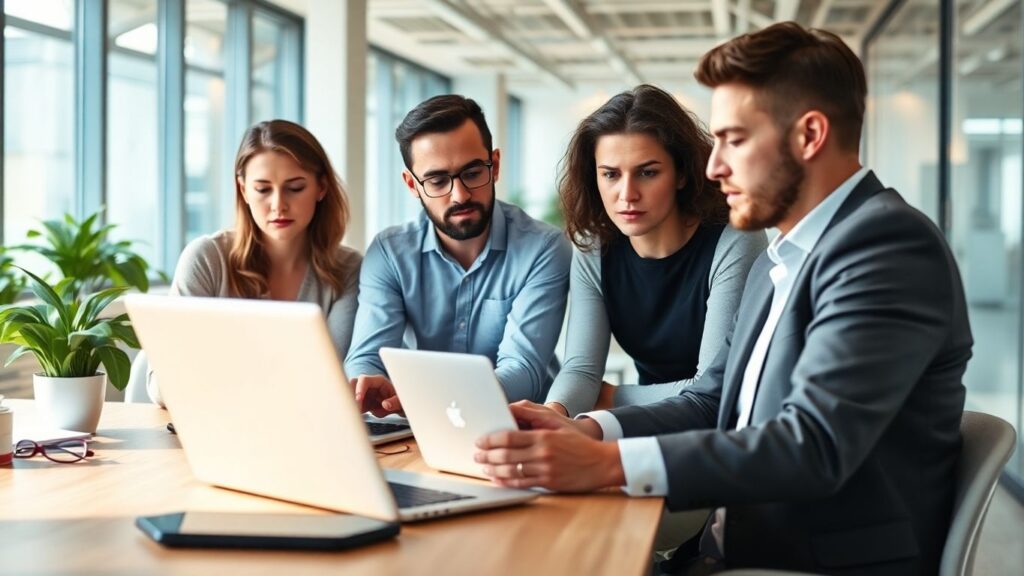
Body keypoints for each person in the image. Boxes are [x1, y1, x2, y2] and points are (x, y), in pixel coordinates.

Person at [475, 22, 972, 575]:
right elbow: (712, 401)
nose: (712, 166)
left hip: (812, 562)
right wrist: (584, 429)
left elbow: (813, 445)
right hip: (730, 549)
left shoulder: (886, 247)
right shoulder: (778, 262)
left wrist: (605, 462)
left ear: (809, 136)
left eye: (734, 139)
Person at [544, 84, 766, 417]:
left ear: (681, 174)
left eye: (647, 173)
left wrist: (610, 397)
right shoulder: (594, 247)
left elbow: (713, 391)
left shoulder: (735, 240)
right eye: (611, 175)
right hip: (646, 423)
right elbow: (581, 371)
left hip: (728, 428)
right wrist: (552, 415)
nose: (627, 194)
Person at [345, 95, 571, 416]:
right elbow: (366, 356)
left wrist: (430, 399)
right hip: (422, 427)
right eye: (437, 180)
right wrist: (368, 384)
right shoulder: (390, 253)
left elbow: (523, 370)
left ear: (495, 165)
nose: (460, 194)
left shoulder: (543, 248)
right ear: (412, 184)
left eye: (473, 172)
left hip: (519, 424)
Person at [131, 119, 361, 405]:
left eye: (296, 187)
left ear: (321, 187)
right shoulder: (207, 259)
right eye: (263, 189)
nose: (278, 205)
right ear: (243, 190)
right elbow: (163, 387)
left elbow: (327, 379)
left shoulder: (349, 269)